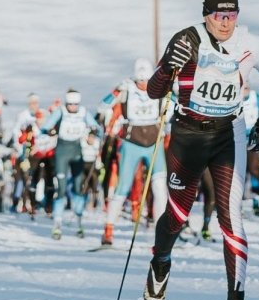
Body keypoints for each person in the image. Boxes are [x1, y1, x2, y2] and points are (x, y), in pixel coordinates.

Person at [141, 0, 259, 300]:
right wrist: (166, 69)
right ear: (206, 15)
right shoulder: (187, 40)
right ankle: (159, 265)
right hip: (188, 133)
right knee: (178, 215)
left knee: (230, 217)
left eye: (231, 15)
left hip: (227, 134)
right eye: (219, 15)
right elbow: (155, 91)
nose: (225, 22)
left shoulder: (252, 44)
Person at [103, 59, 167, 247]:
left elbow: (177, 105)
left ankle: (161, 233)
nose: (144, 85)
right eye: (140, 81)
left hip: (154, 143)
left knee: (160, 189)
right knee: (122, 188)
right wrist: (116, 91)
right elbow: (102, 106)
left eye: (147, 80)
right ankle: (108, 230)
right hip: (131, 143)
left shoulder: (159, 87)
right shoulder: (127, 89)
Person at [43, 90, 96, 239]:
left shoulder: (84, 112)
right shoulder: (60, 112)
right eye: (70, 104)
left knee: (79, 187)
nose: (73, 107)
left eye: (75, 104)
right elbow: (46, 127)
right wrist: (49, 131)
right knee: (61, 188)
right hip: (62, 151)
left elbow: (96, 127)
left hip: (77, 150)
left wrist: (93, 134)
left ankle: (79, 222)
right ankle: (57, 224)